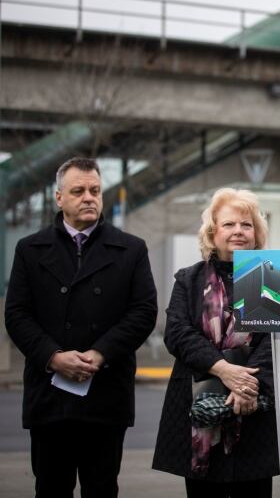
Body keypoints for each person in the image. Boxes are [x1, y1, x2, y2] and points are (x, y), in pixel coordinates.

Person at [4, 157, 157, 497]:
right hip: (50, 394)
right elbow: (16, 314)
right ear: (59, 198)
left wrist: (100, 353)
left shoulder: (132, 249)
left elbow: (144, 312)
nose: (89, 197)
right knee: (50, 488)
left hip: (106, 394)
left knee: (101, 489)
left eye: (95, 190)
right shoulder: (29, 249)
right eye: (78, 191)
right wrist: (53, 356)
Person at [152, 188, 279, 498]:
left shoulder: (271, 277)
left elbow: (277, 340)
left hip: (253, 410)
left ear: (256, 233)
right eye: (229, 224)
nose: (238, 231)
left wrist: (247, 385)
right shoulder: (188, 279)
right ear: (213, 231)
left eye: (246, 224)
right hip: (200, 410)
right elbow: (178, 334)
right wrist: (224, 370)